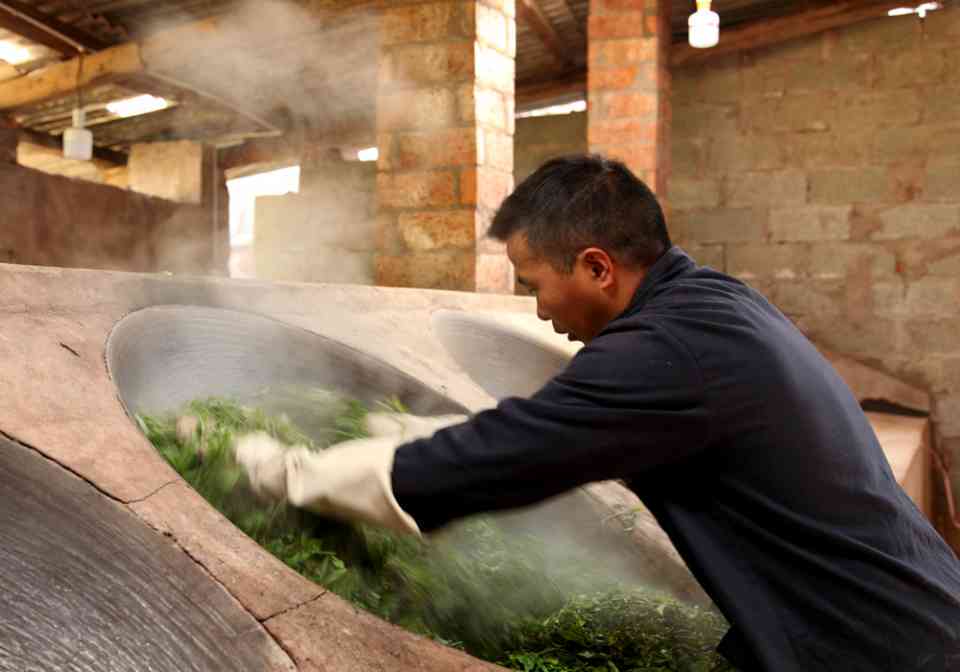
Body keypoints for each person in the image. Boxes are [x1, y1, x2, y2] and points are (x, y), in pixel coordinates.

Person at [235, 154, 960, 671]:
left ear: (596, 267)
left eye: (534, 284)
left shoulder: (667, 350)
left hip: (882, 644)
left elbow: (510, 456)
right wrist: (411, 433)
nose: (540, 311)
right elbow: (558, 424)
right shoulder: (713, 302)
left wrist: (298, 475)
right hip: (905, 608)